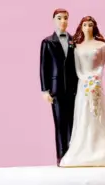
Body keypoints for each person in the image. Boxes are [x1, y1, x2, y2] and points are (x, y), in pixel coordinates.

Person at [59, 16, 105, 167]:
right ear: (81, 27)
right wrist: (86, 80)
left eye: (90, 25)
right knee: (83, 114)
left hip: (96, 84)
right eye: (85, 25)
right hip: (83, 86)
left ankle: (99, 149)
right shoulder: (77, 47)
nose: (87, 28)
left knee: (97, 114)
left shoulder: (102, 46)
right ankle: (82, 149)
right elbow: (78, 69)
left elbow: (101, 66)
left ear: (94, 27)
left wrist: (95, 79)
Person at [39, 8, 78, 166]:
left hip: (74, 89)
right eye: (60, 18)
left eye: (65, 18)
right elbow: (43, 68)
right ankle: (61, 156)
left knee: (74, 123)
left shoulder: (74, 41)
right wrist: (45, 90)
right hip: (56, 89)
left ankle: (74, 154)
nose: (63, 21)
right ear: (54, 20)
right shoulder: (48, 42)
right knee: (60, 124)